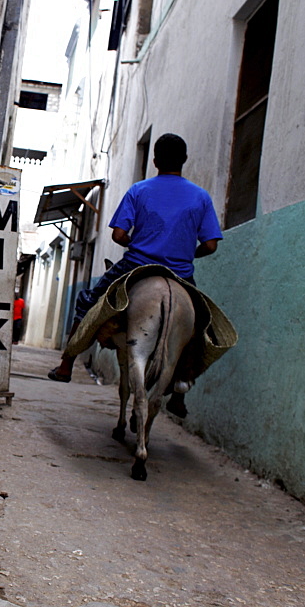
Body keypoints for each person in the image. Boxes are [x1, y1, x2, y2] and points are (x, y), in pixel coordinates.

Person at [47, 133, 222, 417]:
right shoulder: (201, 197)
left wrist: (137, 242)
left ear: (154, 161)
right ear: (185, 161)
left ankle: (67, 364)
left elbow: (117, 235)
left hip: (137, 266)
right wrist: (187, 252)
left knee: (89, 299)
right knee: (201, 324)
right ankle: (181, 387)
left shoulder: (139, 190)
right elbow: (211, 245)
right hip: (180, 273)